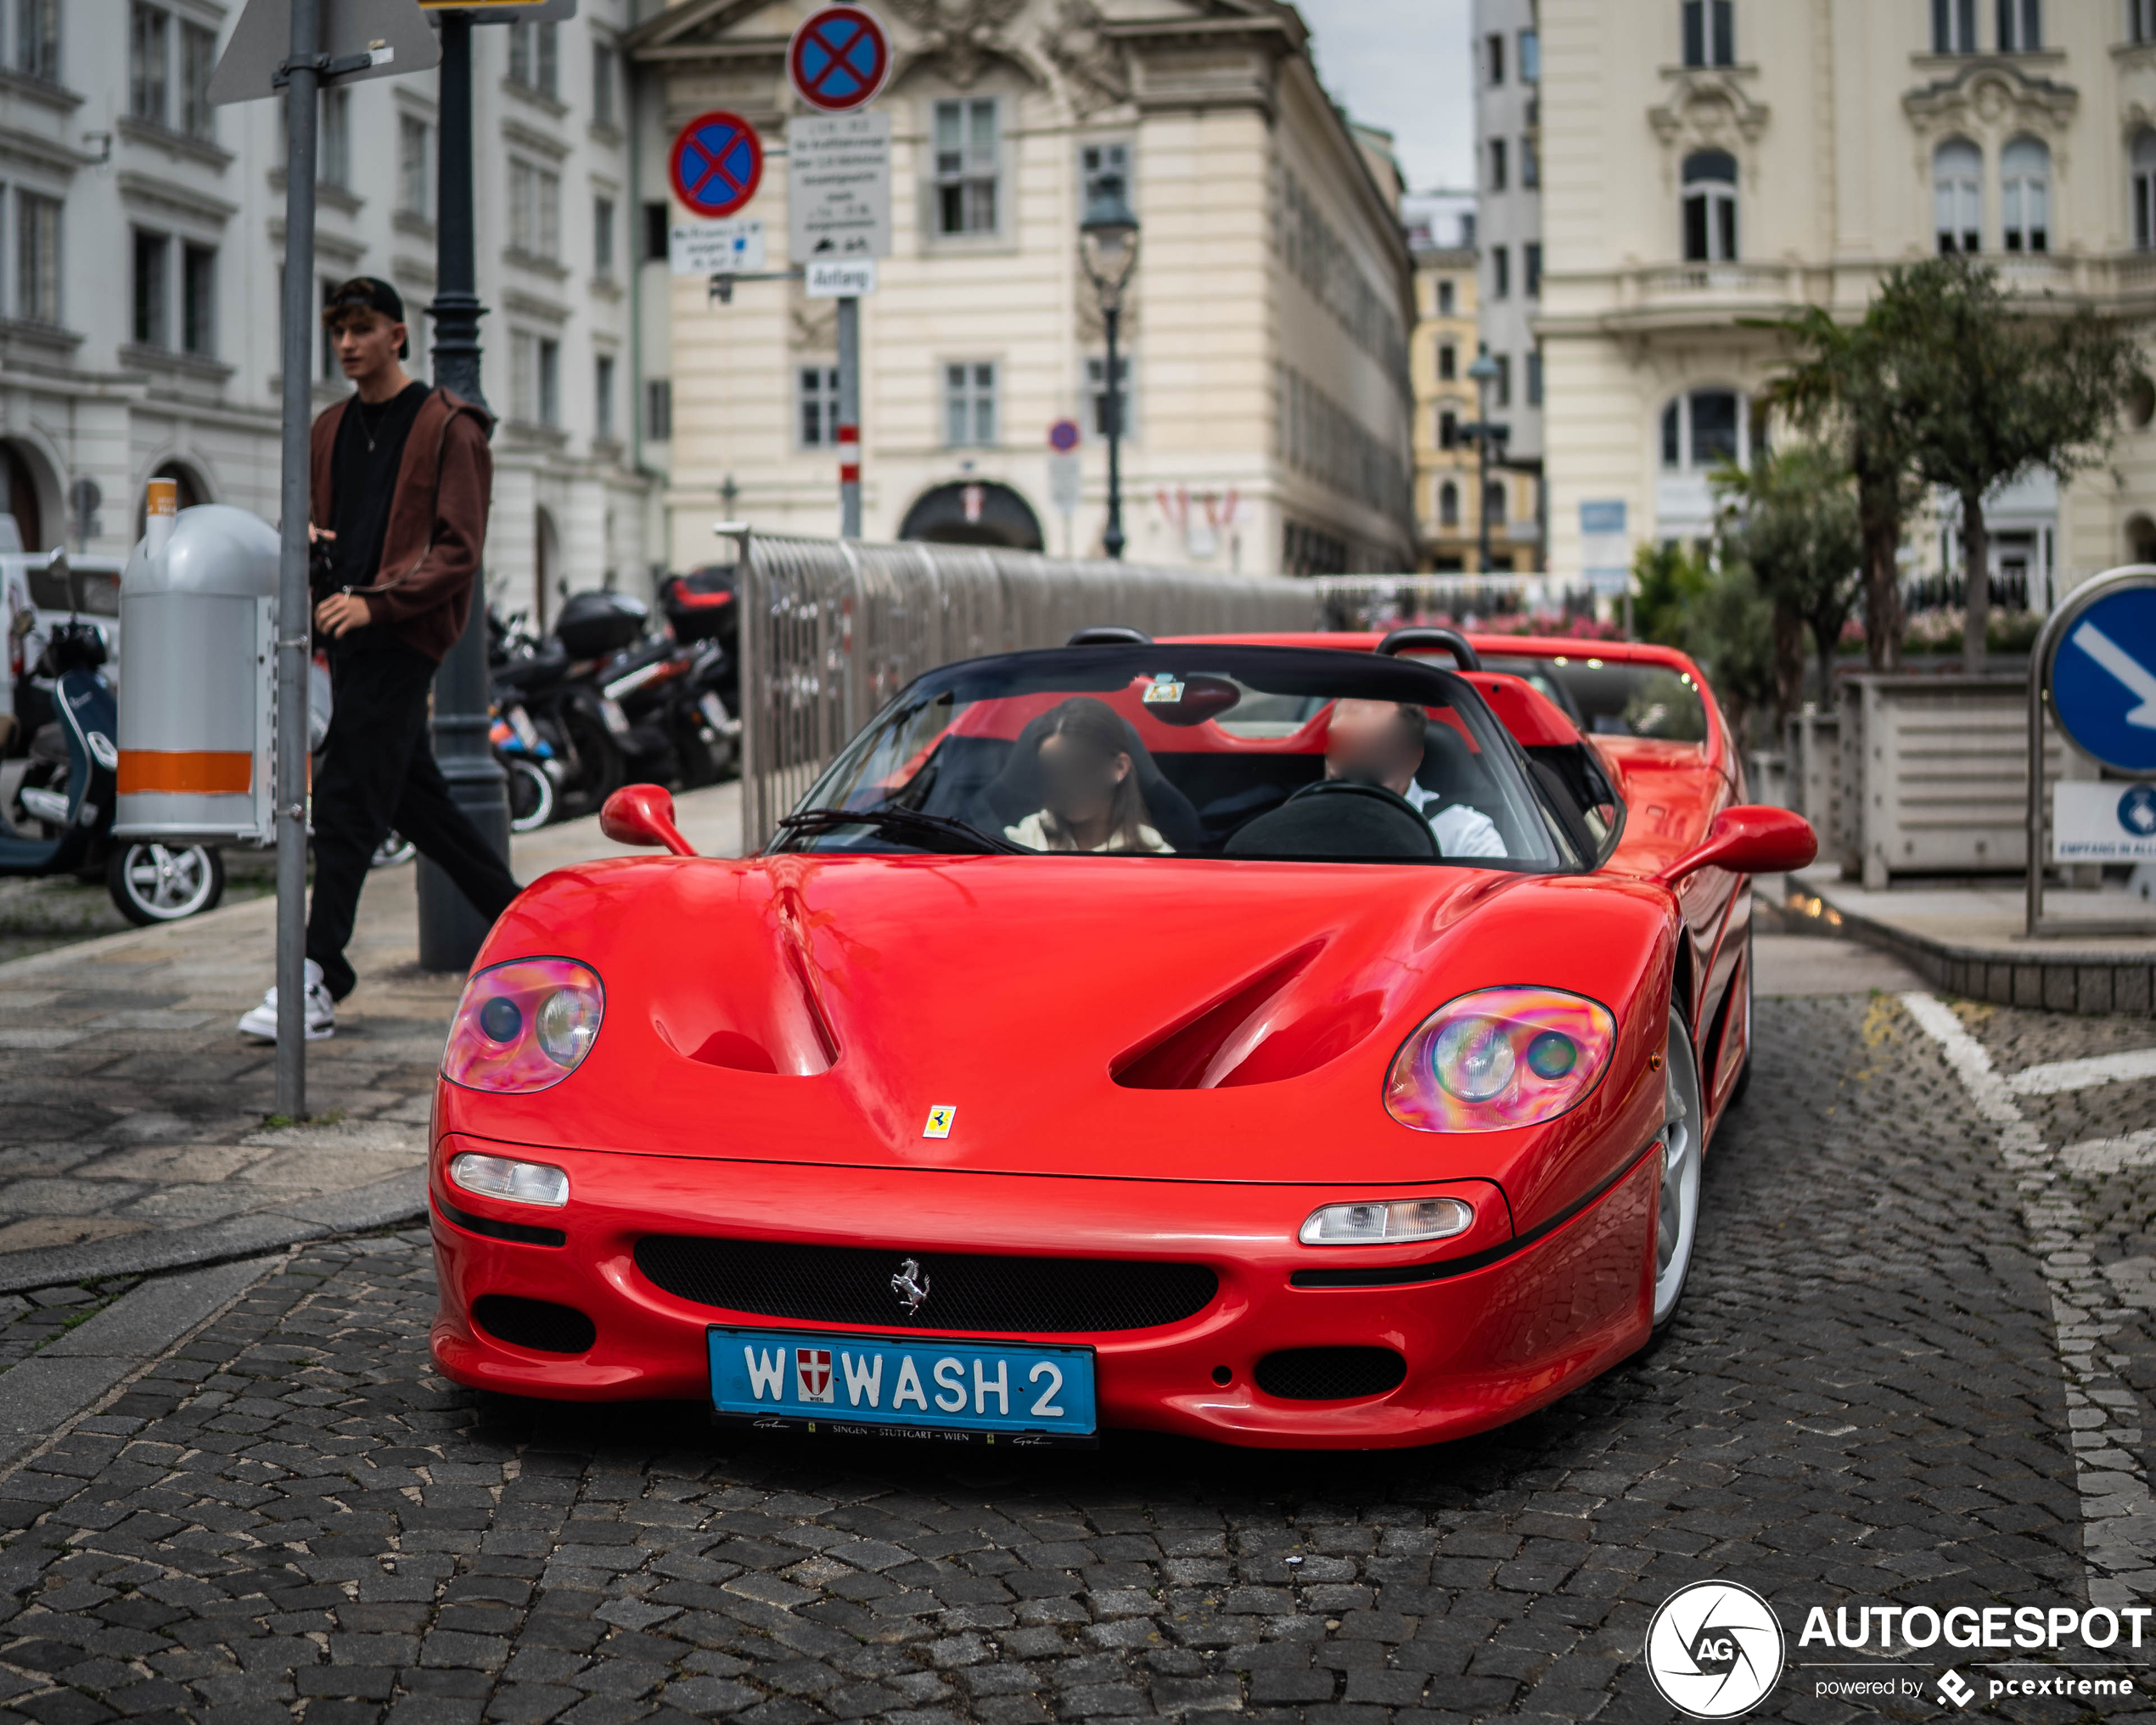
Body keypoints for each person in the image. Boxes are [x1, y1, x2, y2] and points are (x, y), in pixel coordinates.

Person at [239, 278, 521, 1042]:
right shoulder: (330, 427)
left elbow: (458, 551)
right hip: (347, 636)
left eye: (361, 329)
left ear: (399, 335)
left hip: (403, 636)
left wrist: (379, 602)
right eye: (337, 331)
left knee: (344, 804)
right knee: (416, 802)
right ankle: (533, 929)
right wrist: (310, 545)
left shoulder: (449, 427)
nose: (346, 344)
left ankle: (317, 974)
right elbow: (312, 524)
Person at [1323, 699, 1507, 858]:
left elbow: (1499, 895)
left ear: (1412, 757)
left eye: (1372, 747)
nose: (1351, 760)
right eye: (1341, 744)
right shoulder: (1304, 822)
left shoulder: (1464, 834)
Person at [1003, 697, 1175, 853]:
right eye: (1053, 769)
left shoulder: (1155, 856)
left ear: (1119, 767)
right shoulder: (1018, 843)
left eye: (1080, 766)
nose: (1064, 783)